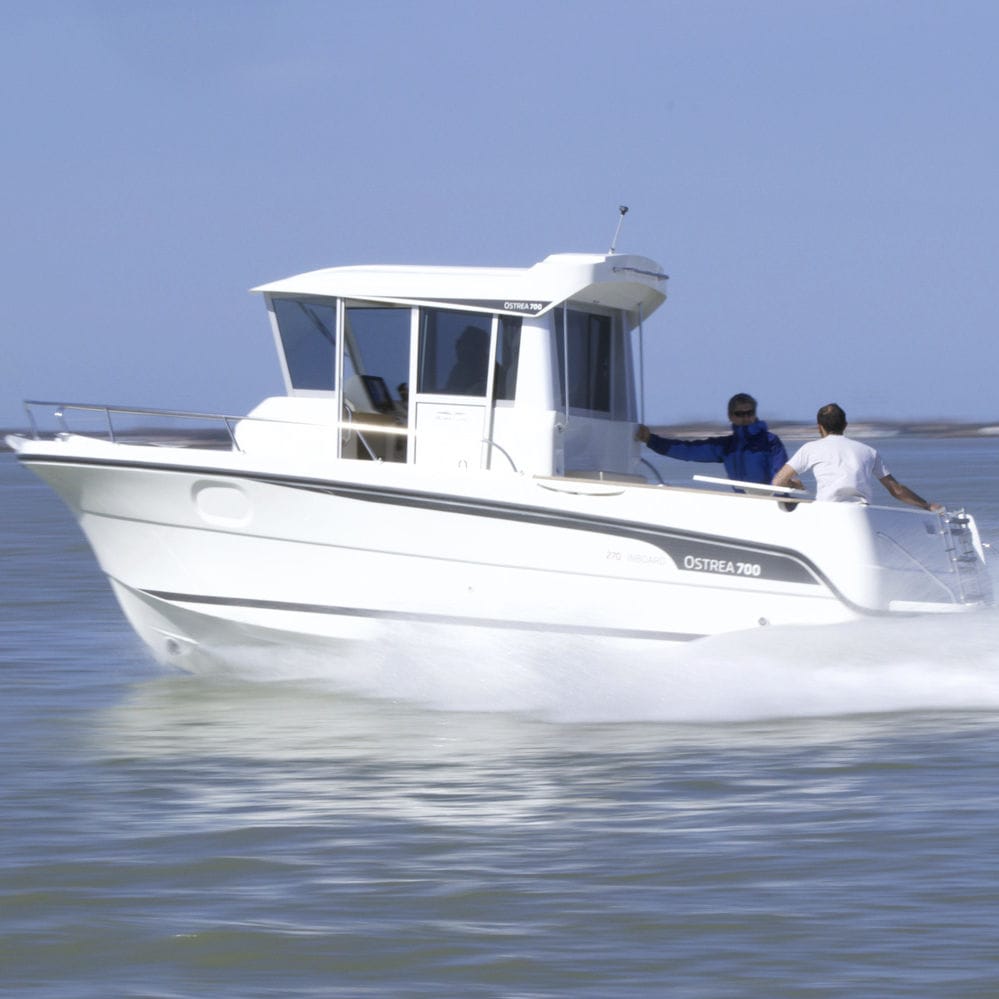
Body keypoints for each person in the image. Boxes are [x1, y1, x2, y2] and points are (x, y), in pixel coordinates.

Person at [771, 403, 943, 510]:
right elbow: (896, 490)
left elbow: (778, 481)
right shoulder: (868, 451)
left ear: (819, 427)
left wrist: (796, 485)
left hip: (826, 513)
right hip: (862, 515)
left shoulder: (810, 449)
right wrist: (927, 505)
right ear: (845, 425)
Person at [635, 393, 789, 484]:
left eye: (749, 412)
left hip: (772, 505)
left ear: (755, 413)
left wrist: (785, 487)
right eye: (740, 414)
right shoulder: (727, 446)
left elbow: (781, 472)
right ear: (730, 416)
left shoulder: (769, 442)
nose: (746, 417)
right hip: (743, 505)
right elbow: (688, 451)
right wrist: (651, 440)